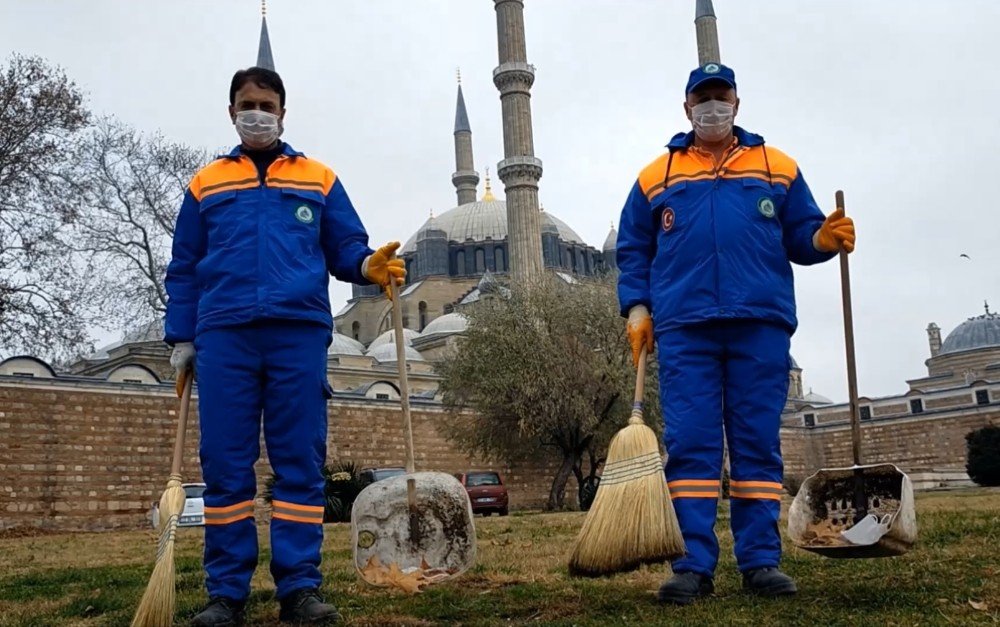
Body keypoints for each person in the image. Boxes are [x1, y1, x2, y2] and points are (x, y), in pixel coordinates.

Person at [164, 66, 405, 626]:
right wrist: (181, 335)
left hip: (298, 333)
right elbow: (184, 267)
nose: (258, 113)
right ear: (231, 111)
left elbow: (346, 245)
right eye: (248, 104)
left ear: (282, 113)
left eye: (267, 105)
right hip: (224, 335)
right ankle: (226, 594)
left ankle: (299, 588)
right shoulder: (206, 184)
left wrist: (368, 266)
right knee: (226, 467)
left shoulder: (318, 179)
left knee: (299, 464)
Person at [616, 63, 855, 605]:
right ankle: (693, 564)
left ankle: (760, 562)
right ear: (687, 109)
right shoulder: (657, 176)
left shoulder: (778, 167)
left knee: (755, 446)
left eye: (721, 97)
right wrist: (636, 307)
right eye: (703, 99)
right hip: (685, 327)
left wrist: (823, 236)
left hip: (760, 323)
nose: (712, 107)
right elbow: (633, 249)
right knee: (692, 448)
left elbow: (801, 234)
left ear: (737, 104)